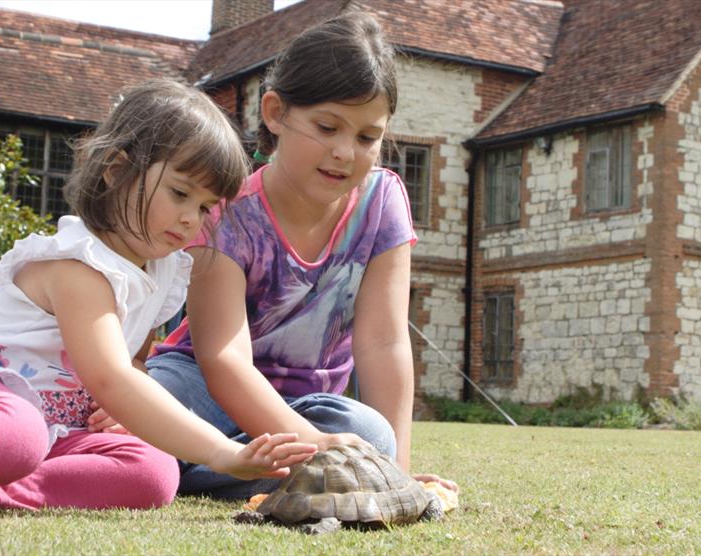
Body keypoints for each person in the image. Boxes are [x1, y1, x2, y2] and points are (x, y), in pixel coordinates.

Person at [0, 80, 317, 515]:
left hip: (45, 424)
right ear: (116, 171)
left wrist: (121, 410)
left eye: (207, 206)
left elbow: (128, 370)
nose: (192, 218)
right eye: (180, 193)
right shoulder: (81, 265)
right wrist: (221, 454)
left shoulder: (161, 270)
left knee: (154, 469)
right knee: (14, 433)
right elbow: (110, 377)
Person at [129, 12, 456, 498]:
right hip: (202, 385)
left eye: (368, 137)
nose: (346, 152)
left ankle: (200, 466)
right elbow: (223, 357)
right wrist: (314, 445)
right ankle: (210, 458)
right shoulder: (228, 210)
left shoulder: (382, 201)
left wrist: (395, 473)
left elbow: (383, 344)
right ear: (276, 113)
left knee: (372, 437)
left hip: (309, 402)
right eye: (328, 127)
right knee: (149, 407)